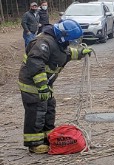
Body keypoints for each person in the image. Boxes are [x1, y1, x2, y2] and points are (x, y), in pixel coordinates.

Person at [17, 19, 93, 153]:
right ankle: (34, 143)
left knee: (49, 108)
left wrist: (81, 53)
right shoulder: (43, 43)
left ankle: (48, 137)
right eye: (71, 40)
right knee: (37, 111)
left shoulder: (57, 42)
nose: (72, 43)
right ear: (63, 36)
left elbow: (65, 54)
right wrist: (41, 86)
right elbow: (35, 63)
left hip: (45, 84)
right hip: (32, 84)